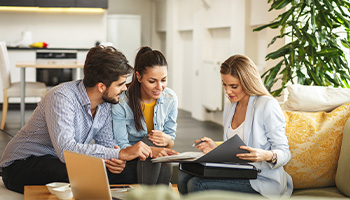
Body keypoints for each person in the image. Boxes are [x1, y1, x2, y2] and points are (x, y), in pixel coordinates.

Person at [0, 45, 153, 193]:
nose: (125, 88)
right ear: (101, 87)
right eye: (120, 84)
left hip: (61, 161)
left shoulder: (106, 103)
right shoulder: (61, 97)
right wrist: (119, 154)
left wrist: (116, 161)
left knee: (130, 170)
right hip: (22, 164)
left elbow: (107, 145)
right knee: (83, 173)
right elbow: (65, 149)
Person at [178, 55, 293, 198]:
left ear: (248, 82)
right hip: (237, 172)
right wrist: (216, 148)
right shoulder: (230, 107)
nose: (227, 91)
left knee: (197, 184)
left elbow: (284, 153)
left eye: (234, 86)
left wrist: (266, 155)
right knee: (184, 175)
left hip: (261, 179)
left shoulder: (267, 105)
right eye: (224, 85)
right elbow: (236, 150)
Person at [112, 46, 178, 185]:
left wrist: (167, 140)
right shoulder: (122, 102)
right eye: (152, 81)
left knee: (158, 145)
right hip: (132, 157)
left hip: (156, 159)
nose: (159, 87)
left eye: (164, 80)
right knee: (149, 141)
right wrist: (151, 150)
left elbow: (170, 140)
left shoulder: (170, 98)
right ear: (139, 76)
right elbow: (122, 144)